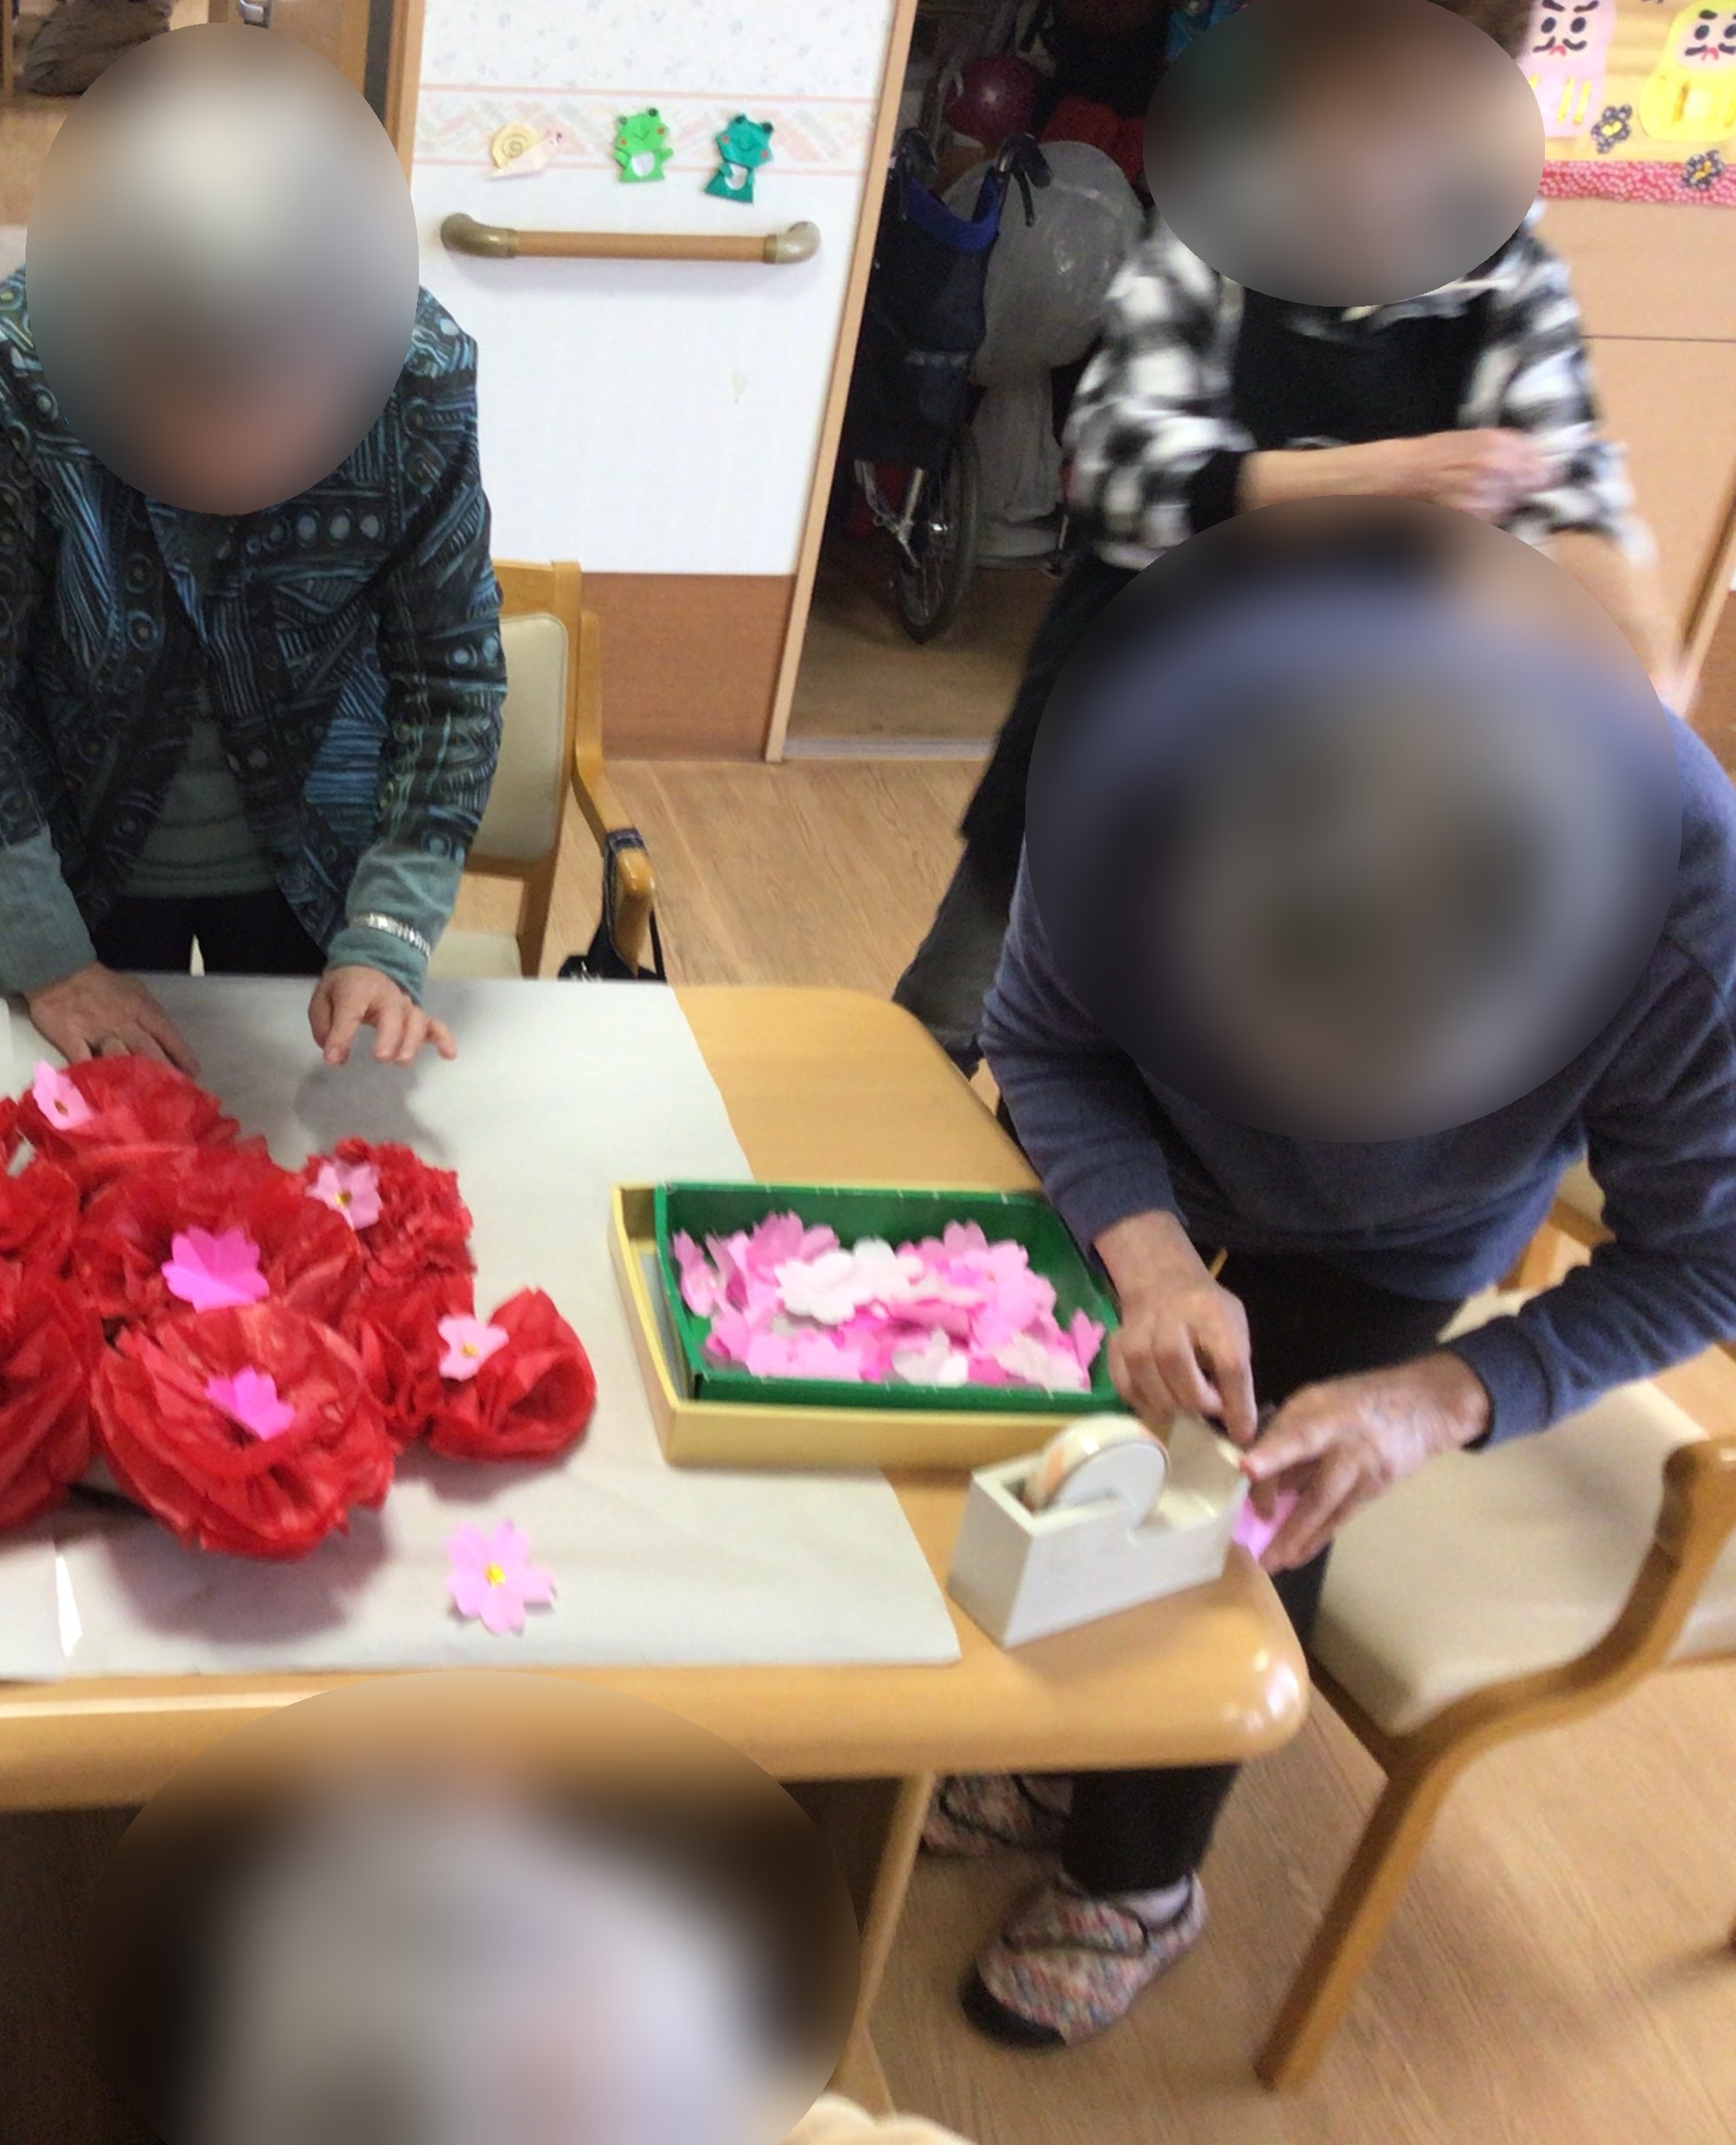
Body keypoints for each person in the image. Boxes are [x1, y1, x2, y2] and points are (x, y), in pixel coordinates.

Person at [937, 540, 1736, 2049]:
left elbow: (1709, 1251)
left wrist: (1436, 1397)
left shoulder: (1691, 913)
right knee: (1048, 1427)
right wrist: (1148, 1255)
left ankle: (1135, 1875)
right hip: (1127, 1119)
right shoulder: (1139, 756)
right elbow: (1041, 1037)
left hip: (1407, 1230)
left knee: (1262, 1502)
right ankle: (1049, 1744)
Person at [893, 0, 1676, 1071]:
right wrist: (1388, 479)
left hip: (1350, 749)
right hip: (1131, 691)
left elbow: (1572, 495)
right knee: (954, 1014)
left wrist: (1640, 686)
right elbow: (1121, 469)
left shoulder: (1510, 271)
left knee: (1179, 1066)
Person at [0, 27, 503, 1076]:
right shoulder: (17, 367)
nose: (230, 480)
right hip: (69, 865)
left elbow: (449, 680)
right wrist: (50, 961)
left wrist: (387, 934)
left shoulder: (414, 379)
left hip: (314, 862)